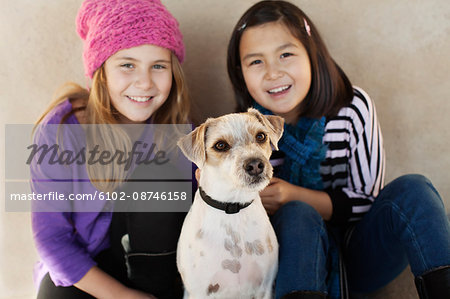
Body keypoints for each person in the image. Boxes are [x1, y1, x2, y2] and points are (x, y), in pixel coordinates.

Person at [226, 1, 450, 298]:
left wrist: (293, 194)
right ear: (240, 72)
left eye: (286, 54)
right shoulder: (243, 129)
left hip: (360, 254)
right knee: (296, 215)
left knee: (414, 189)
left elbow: (367, 199)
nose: (272, 72)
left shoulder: (352, 107)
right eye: (256, 62)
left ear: (312, 56)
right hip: (293, 263)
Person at [30, 0, 191, 298]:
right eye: (127, 65)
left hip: (154, 267)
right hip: (85, 268)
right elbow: (51, 237)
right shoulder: (62, 131)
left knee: (159, 179)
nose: (144, 83)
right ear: (101, 72)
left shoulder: (177, 130)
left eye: (158, 66)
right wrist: (121, 296)